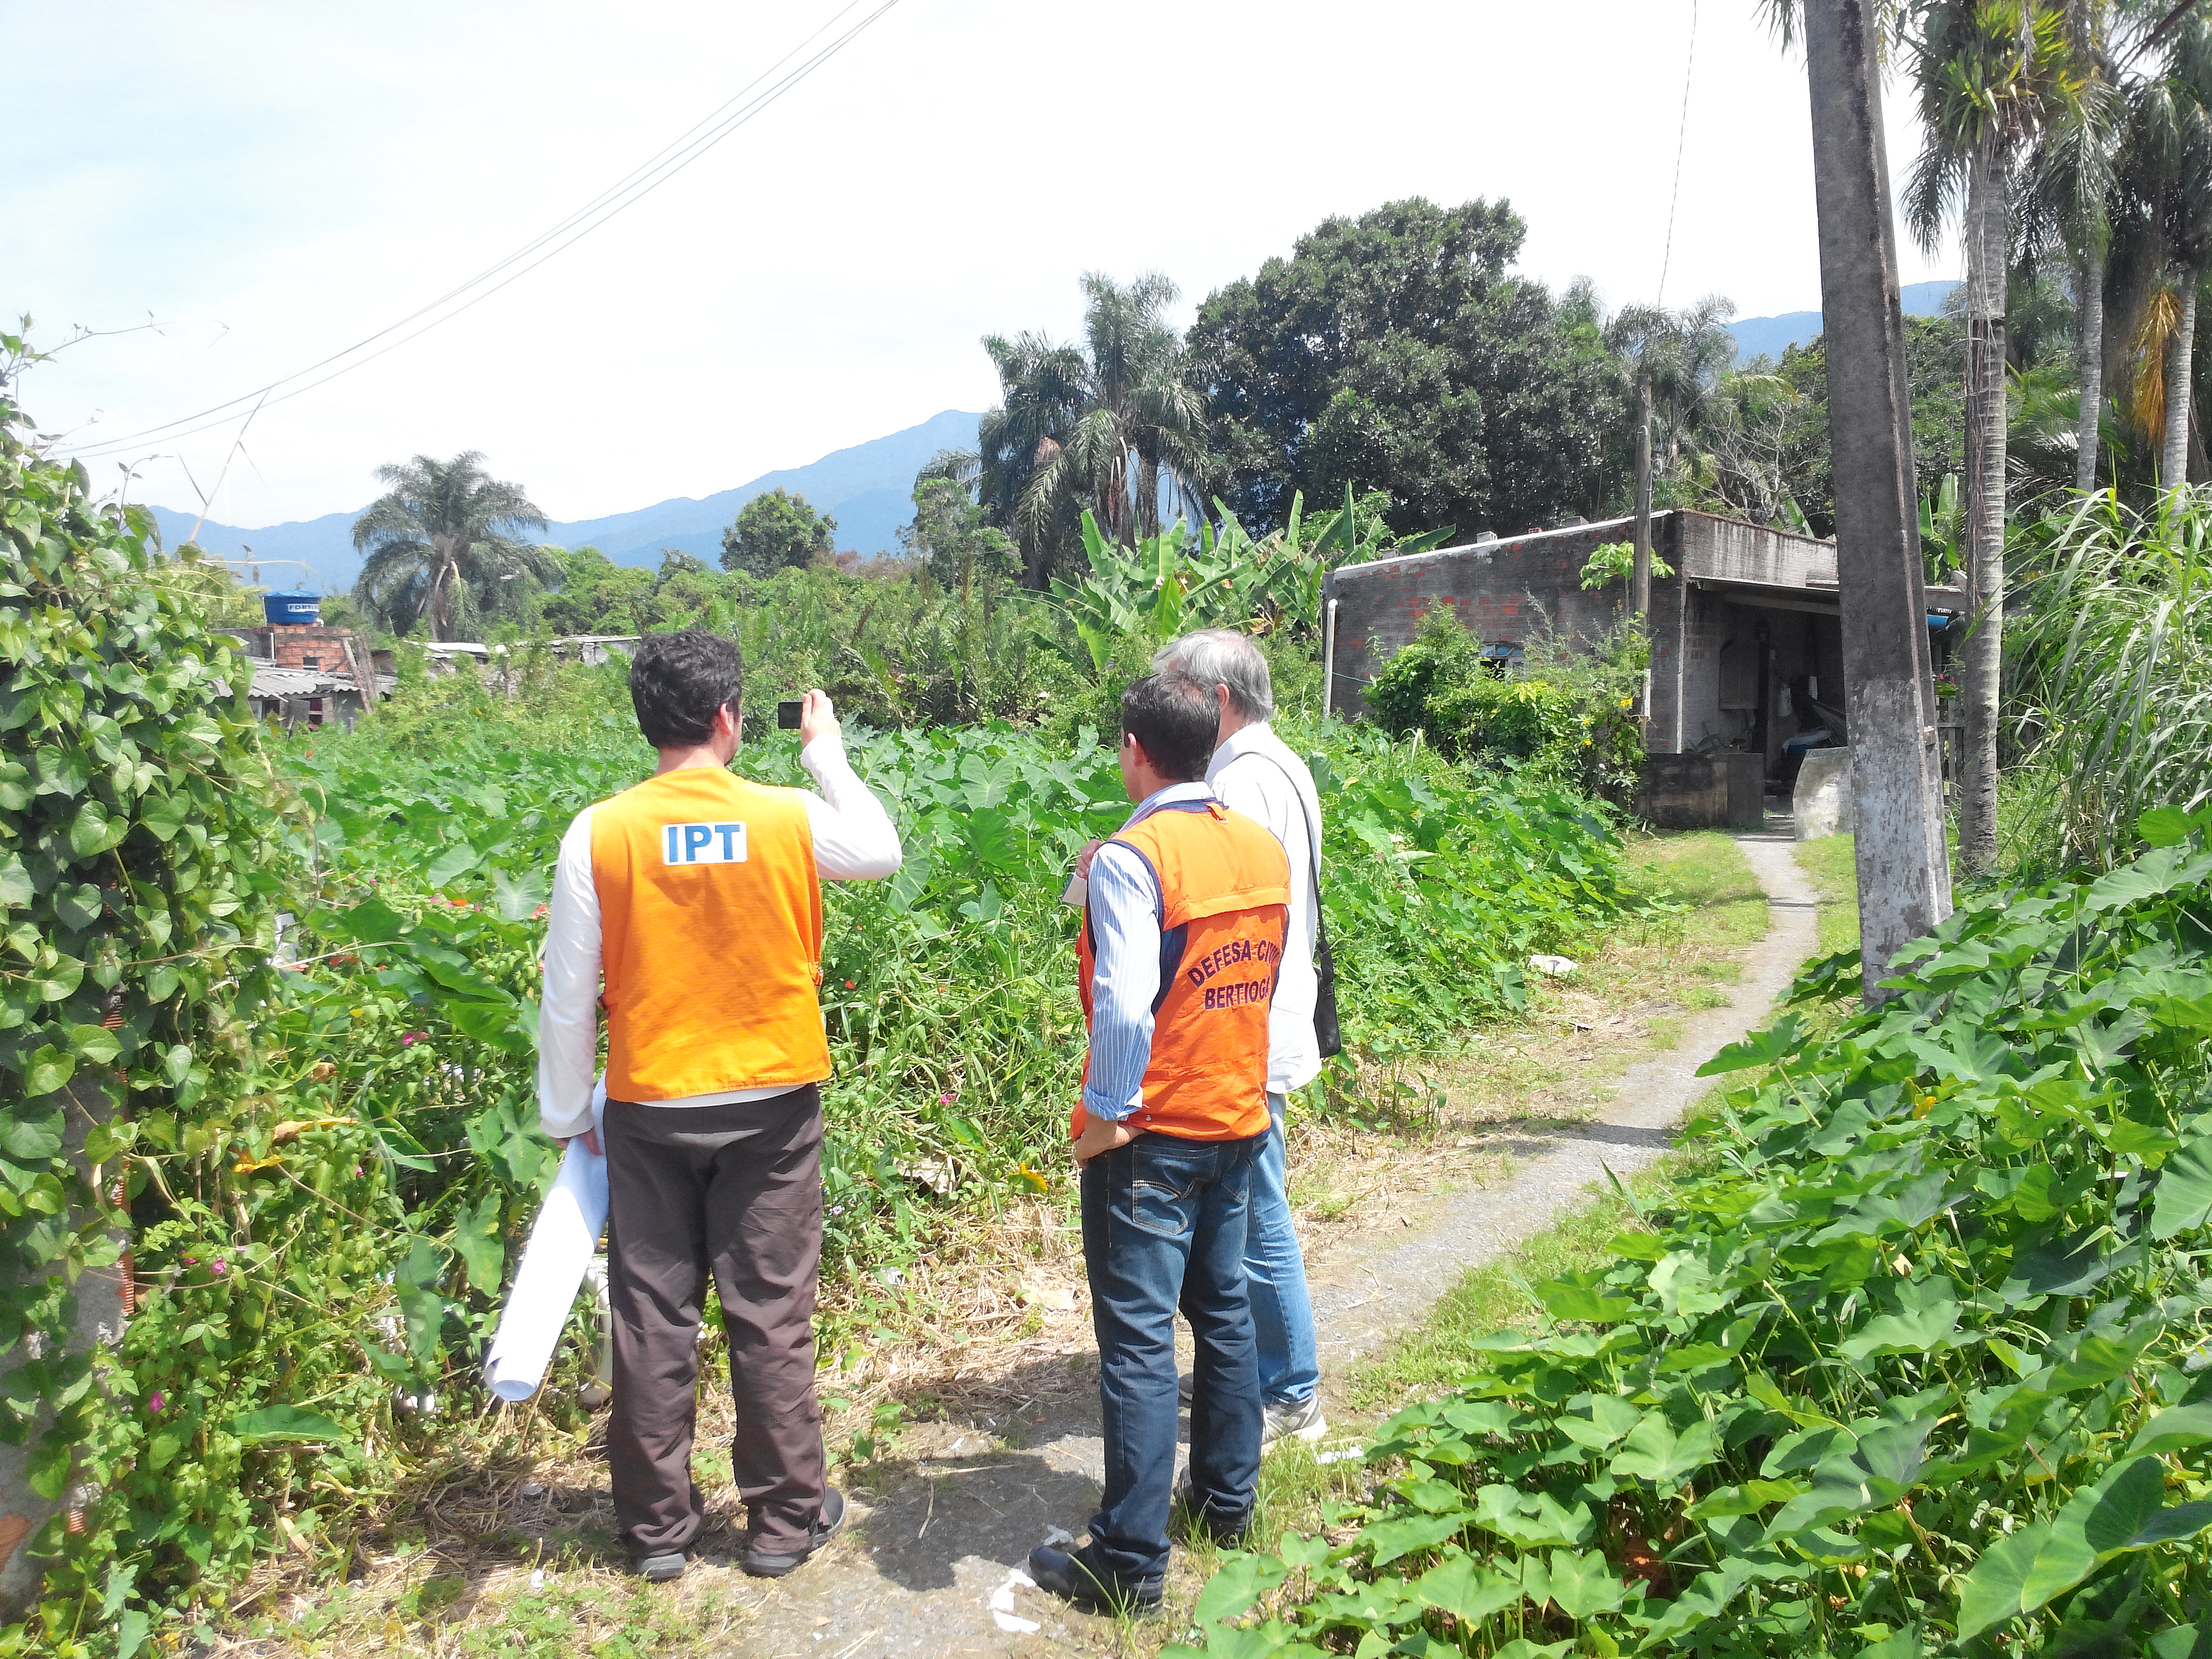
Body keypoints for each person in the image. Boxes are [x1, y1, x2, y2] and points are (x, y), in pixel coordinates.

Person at [537, 630, 901, 1583]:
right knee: (770, 1311)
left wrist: (567, 1111)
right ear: (728, 718)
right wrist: (826, 754)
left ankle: (658, 1529)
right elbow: (880, 850)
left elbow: (569, 991)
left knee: (652, 1314)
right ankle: (783, 1520)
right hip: (771, 1102)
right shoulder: (783, 816)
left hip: (652, 1102)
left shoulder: (600, 830)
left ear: (647, 719)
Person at [1028, 671, 1289, 1615]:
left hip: (1155, 1128)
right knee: (1222, 1315)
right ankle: (1226, 1505)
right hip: (1237, 1116)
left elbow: (1123, 999)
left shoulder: (1137, 857)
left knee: (1137, 1343)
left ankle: (1130, 1561)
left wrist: (1106, 1113)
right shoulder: (1255, 845)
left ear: (1135, 748)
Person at [1151, 630, 1329, 1447]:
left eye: (1182, 694)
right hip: (1263, 1019)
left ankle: (1291, 1393)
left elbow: (1225, 913)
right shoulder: (1275, 764)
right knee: (1246, 1212)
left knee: (1258, 1217)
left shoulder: (1245, 782)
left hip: (1246, 1029)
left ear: (1216, 701)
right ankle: (1256, 1369)